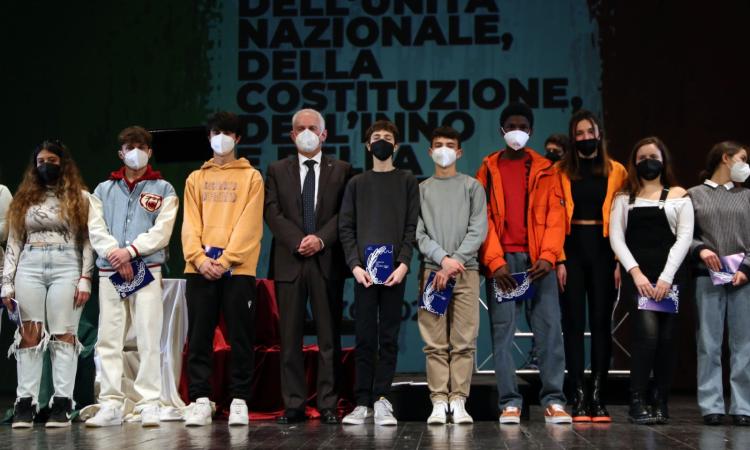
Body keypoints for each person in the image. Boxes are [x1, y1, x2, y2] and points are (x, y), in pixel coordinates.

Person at [476, 102, 571, 424]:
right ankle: (509, 402)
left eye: (523, 126)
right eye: (511, 125)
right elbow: (482, 218)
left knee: (549, 331)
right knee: (503, 334)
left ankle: (554, 400)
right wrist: (494, 261)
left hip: (537, 263)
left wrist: (548, 256)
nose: (517, 131)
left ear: (530, 131)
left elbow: (558, 217)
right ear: (502, 130)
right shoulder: (488, 168)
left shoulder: (548, 169)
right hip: (504, 265)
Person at [84, 126, 179, 428]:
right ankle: (111, 402)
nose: (135, 151)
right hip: (110, 270)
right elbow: (96, 229)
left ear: (149, 152)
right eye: (129, 147)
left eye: (141, 146)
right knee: (108, 339)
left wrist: (132, 252)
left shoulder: (163, 189)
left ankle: (149, 402)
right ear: (120, 153)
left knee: (148, 337)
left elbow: (162, 231)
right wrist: (116, 253)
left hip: (146, 270)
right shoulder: (102, 190)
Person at [264, 109, 353, 425]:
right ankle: (294, 405)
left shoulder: (342, 169)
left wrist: (320, 239)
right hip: (290, 260)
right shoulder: (277, 169)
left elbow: (345, 213)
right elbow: (272, 212)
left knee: (329, 337)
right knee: (290, 339)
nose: (306, 132)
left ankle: (328, 403)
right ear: (291, 135)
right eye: (300, 128)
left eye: (312, 128)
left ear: (324, 134)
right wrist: (299, 240)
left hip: (326, 260)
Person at [1, 140, 93, 428]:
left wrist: (85, 277)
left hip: (67, 264)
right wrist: (6, 282)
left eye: (51, 160)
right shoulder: (24, 198)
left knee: (63, 334)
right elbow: (14, 240)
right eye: (40, 161)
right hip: (29, 265)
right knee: (29, 334)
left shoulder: (81, 197)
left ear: (62, 164)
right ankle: (24, 403)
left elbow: (89, 241)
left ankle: (62, 403)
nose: (45, 165)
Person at [181, 111, 264, 427]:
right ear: (208, 136)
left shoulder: (252, 177)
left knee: (241, 336)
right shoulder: (195, 178)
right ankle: (201, 399)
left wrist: (227, 260)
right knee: (199, 336)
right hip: (199, 269)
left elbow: (250, 224)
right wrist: (199, 259)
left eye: (228, 132)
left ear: (238, 138)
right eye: (216, 131)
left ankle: (240, 399)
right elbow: (190, 223)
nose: (222, 137)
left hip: (238, 270)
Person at [339, 120, 419, 426]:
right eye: (377, 138)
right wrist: (355, 266)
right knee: (364, 338)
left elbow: (411, 226)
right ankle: (362, 402)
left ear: (396, 147)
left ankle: (383, 398)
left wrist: (403, 264)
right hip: (364, 274)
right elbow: (346, 227)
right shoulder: (356, 184)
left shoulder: (407, 180)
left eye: (388, 138)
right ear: (367, 145)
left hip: (395, 273)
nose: (382, 142)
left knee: (389, 336)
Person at [609, 137, 693, 424]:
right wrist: (636, 273)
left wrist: (666, 278)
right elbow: (617, 239)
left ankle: (661, 401)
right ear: (634, 162)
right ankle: (637, 401)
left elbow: (684, 239)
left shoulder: (679, 194)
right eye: (642, 157)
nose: (648, 161)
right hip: (639, 277)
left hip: (669, 277)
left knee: (668, 339)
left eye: (653, 156)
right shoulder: (623, 197)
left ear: (663, 159)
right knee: (647, 337)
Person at [556, 110, 627, 422]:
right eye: (579, 133)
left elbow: (623, 219)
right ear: (573, 138)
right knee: (572, 324)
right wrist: (558, 258)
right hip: (570, 250)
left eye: (590, 132)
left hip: (604, 251)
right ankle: (578, 395)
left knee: (601, 324)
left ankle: (598, 395)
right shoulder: (560, 170)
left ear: (599, 134)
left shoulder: (618, 171)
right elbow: (553, 219)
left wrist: (618, 261)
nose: (585, 137)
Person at [416, 126, 487, 425]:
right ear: (430, 151)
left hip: (466, 271)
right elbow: (419, 233)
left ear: (458, 152)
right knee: (434, 341)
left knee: (464, 340)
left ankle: (458, 400)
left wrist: (454, 261)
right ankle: (438, 401)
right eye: (438, 145)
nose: (443, 150)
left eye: (450, 145)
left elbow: (478, 229)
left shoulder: (472, 187)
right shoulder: (421, 190)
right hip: (433, 272)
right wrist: (442, 260)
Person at [689, 141, 750, 426]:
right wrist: (701, 248)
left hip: (743, 278)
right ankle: (711, 404)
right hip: (708, 276)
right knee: (709, 343)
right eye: (742, 158)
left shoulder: (747, 196)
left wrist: (747, 267)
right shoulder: (694, 195)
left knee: (743, 344)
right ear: (726, 159)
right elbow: (684, 234)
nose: (745, 164)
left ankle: (742, 405)